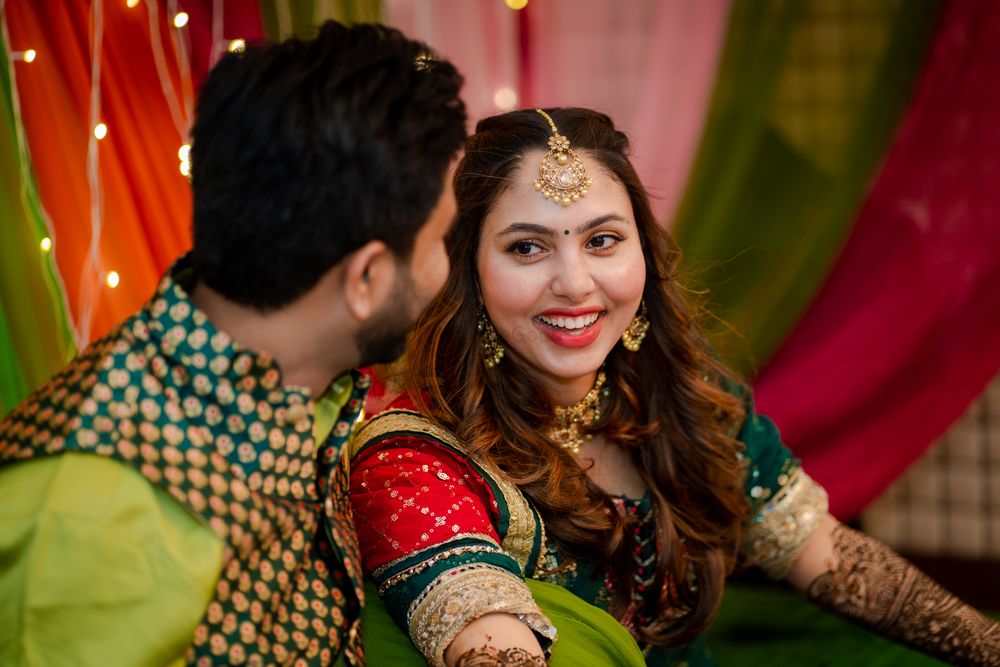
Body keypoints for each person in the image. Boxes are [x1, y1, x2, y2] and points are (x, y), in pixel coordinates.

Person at [349, 107, 1000, 666]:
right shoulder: (412, 457)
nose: (575, 282)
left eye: (603, 240)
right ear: (466, 272)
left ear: (645, 253)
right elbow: (491, 642)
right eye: (527, 248)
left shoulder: (677, 392)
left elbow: (827, 555)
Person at [0, 21, 465, 667]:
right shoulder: (88, 525)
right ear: (366, 279)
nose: (449, 267)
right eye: (441, 239)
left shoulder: (305, 389)